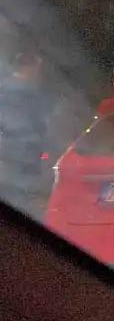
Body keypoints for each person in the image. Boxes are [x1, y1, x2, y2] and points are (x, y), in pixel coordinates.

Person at [0, 50, 51, 219]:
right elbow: (29, 127)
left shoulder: (5, 88)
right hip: (19, 159)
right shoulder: (26, 92)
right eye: (37, 68)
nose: (39, 73)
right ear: (28, 68)